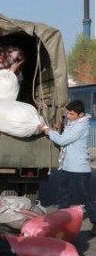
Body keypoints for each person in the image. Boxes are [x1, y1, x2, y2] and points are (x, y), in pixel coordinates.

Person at [39, 100, 96, 235]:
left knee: (85, 198)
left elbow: (62, 140)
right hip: (68, 167)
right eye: (68, 113)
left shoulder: (80, 127)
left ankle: (95, 221)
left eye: (71, 114)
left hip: (79, 170)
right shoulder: (73, 123)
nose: (68, 116)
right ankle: (59, 222)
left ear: (80, 114)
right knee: (64, 196)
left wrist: (48, 131)